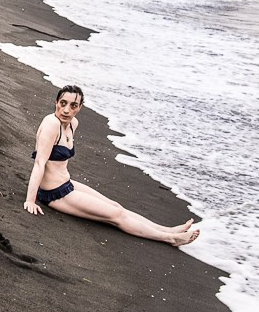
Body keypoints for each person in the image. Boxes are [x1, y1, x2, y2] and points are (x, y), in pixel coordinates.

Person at [23, 85, 200, 246]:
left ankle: (167, 230)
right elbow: (40, 163)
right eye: (63, 103)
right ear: (56, 102)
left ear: (80, 108)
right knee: (117, 216)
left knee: (116, 206)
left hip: (67, 184)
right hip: (52, 194)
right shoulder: (51, 124)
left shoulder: (72, 124)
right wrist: (30, 200)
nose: (67, 110)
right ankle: (170, 239)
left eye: (73, 106)